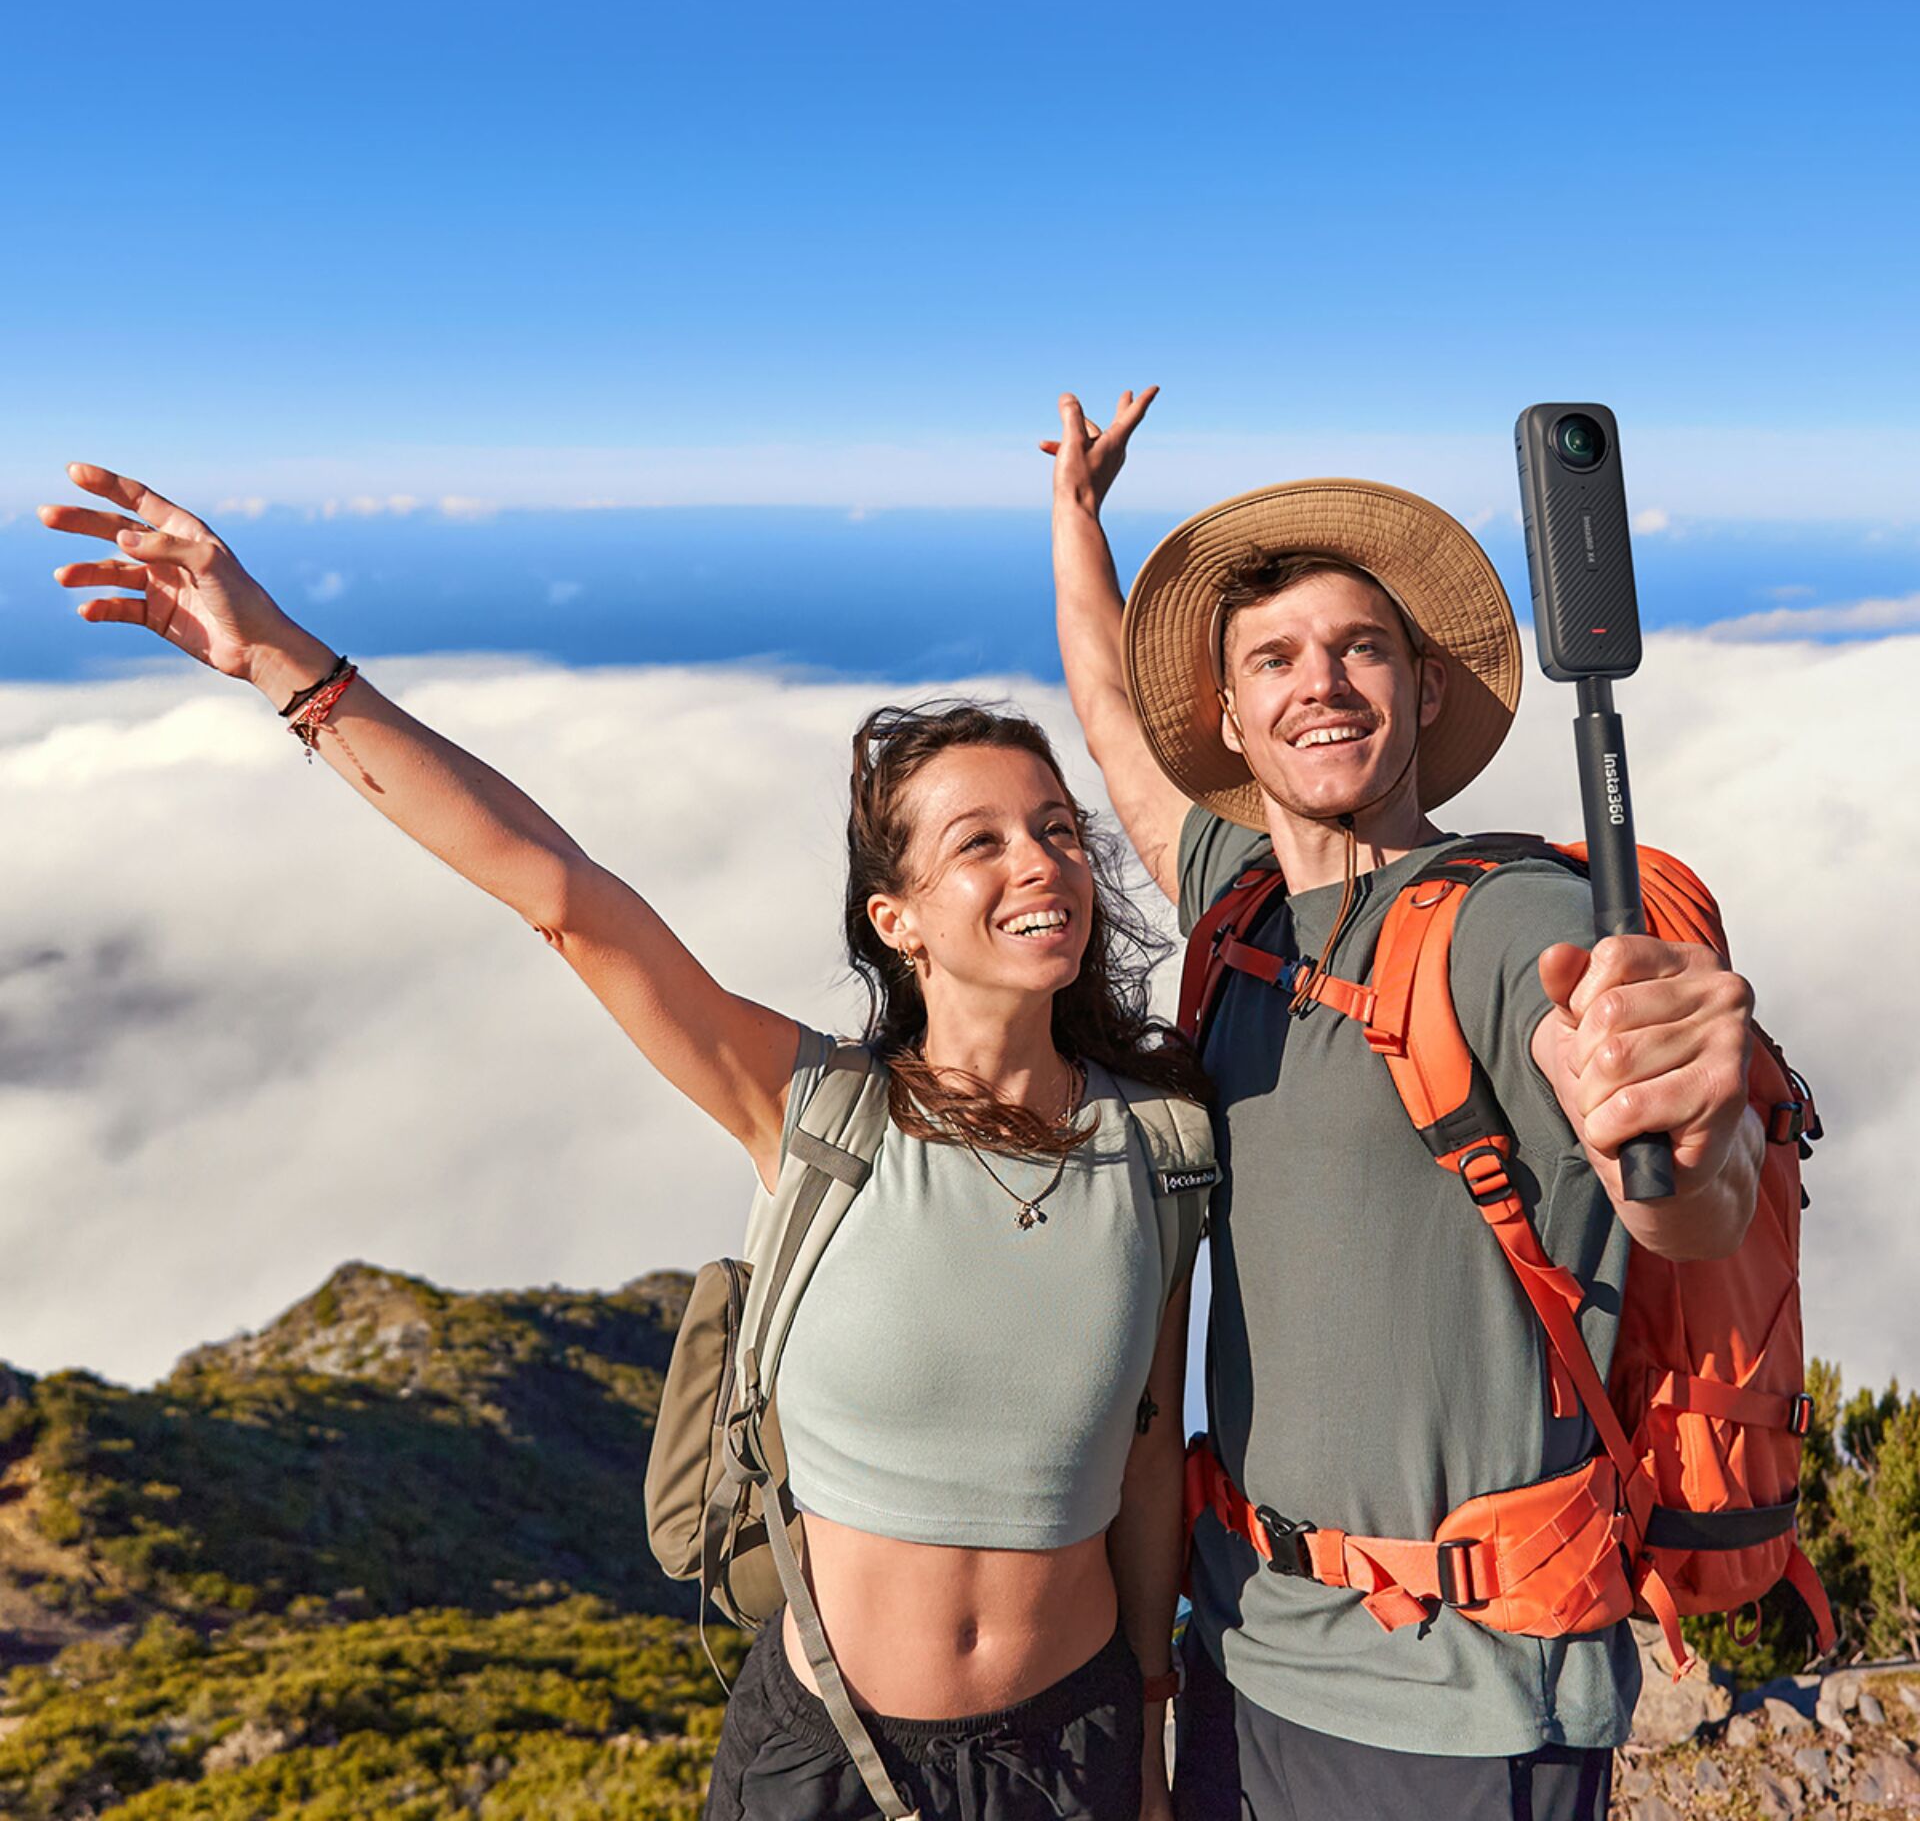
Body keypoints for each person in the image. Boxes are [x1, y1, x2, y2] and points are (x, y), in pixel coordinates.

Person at [40, 462, 1210, 1821]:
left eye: (1058, 830)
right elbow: (561, 896)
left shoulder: (1160, 1147)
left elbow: (1146, 1463)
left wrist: (1149, 1733)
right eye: (982, 843)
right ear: (896, 920)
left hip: (1072, 1756)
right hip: (828, 1762)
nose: (1043, 862)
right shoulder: (815, 1112)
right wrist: (281, 663)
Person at [1042, 394, 1763, 1821]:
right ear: (1231, 720)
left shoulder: (1509, 924)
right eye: (1275, 660)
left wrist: (1689, 1134)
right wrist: (1076, 521)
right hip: (1243, 1647)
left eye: (1360, 648)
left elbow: (1684, 1199)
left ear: (1425, 691)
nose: (1320, 683)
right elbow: (1112, 725)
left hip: (1458, 1705)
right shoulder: (1241, 908)